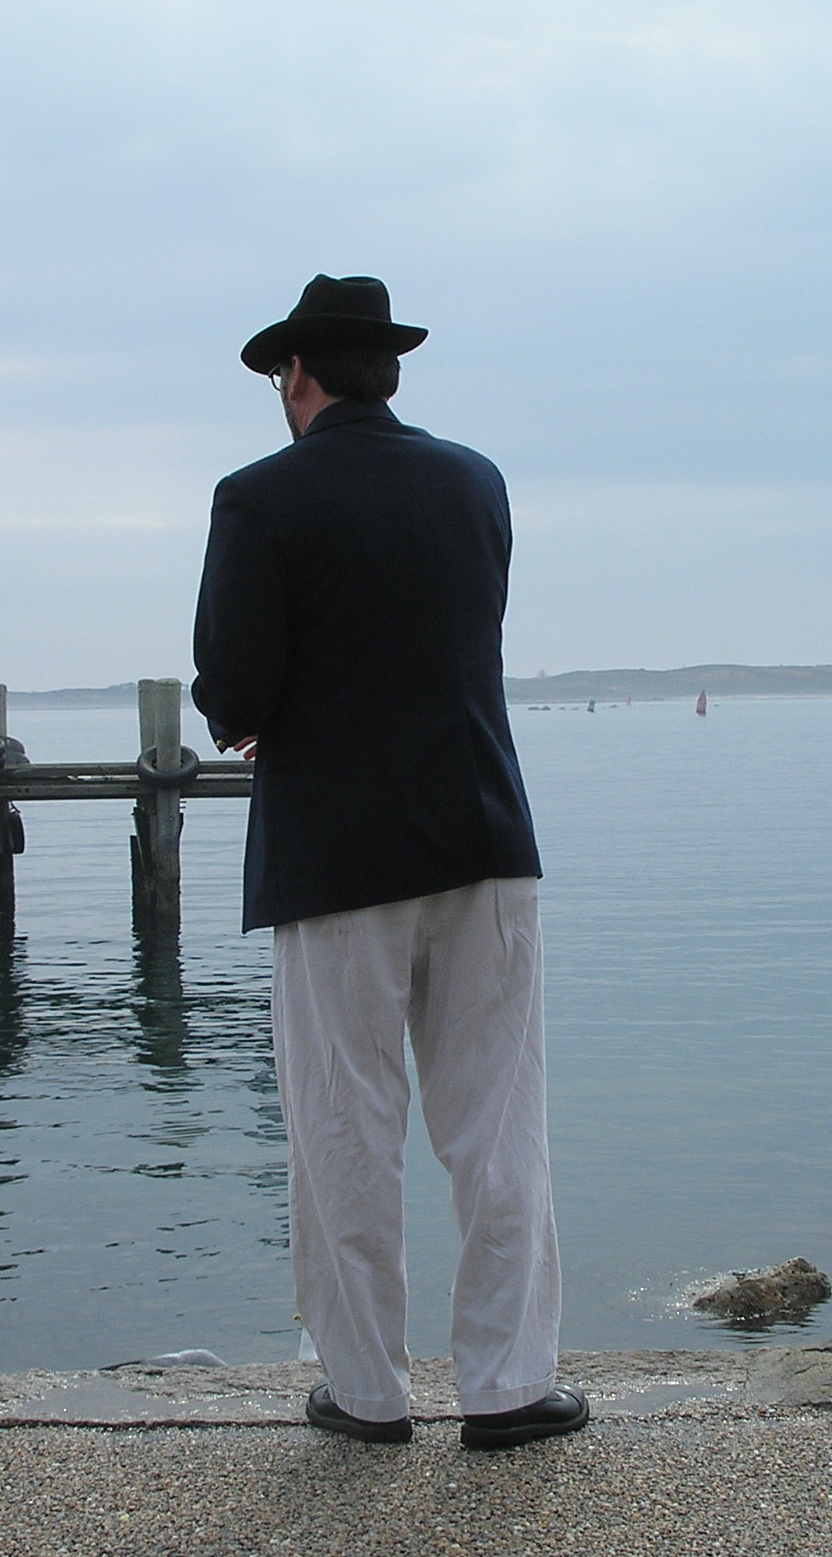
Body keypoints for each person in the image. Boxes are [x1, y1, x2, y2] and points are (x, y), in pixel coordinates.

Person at [191, 274, 585, 1451]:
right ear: (390, 372)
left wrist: (242, 716)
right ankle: (510, 1388)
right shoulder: (476, 480)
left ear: (298, 374)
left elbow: (236, 679)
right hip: (481, 832)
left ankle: (366, 1394)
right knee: (498, 1123)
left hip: (335, 848)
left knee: (344, 1126)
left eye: (280, 377)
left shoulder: (257, 498)